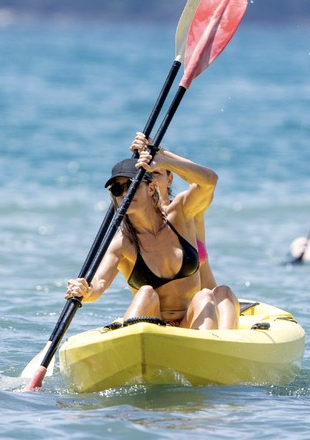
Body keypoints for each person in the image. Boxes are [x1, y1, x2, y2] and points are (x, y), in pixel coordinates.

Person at [65, 151, 225, 329]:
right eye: (117, 190)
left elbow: (209, 181)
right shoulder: (121, 244)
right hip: (152, 328)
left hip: (191, 322)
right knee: (146, 292)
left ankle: (202, 349)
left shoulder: (180, 213)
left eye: (131, 186)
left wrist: (164, 160)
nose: (125, 193)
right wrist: (84, 291)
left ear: (151, 188)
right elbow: (99, 283)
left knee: (204, 296)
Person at [129, 132, 240, 330]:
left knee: (223, 292)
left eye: (156, 172)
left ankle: (225, 345)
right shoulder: (135, 221)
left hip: (201, 310)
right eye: (145, 174)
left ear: (169, 179)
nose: (151, 177)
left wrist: (161, 155)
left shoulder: (187, 210)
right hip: (156, 317)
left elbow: (206, 180)